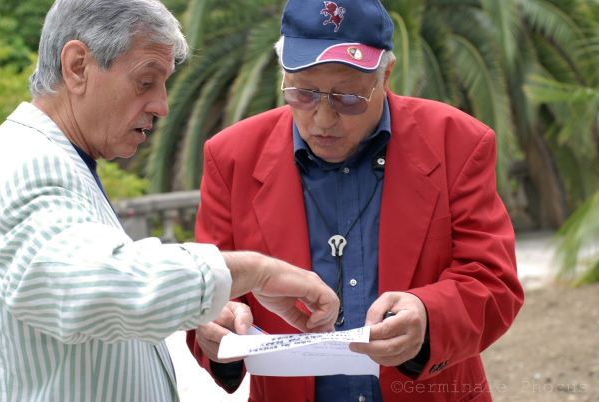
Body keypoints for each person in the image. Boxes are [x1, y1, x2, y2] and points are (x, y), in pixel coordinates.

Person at [0, 1, 341, 401]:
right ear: (77, 66)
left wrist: (200, 306)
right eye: (146, 82)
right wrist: (254, 271)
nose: (161, 106)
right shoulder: (30, 165)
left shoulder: (61, 160)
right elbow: (100, 287)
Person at [187, 0, 525, 401]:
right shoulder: (232, 157)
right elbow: (208, 291)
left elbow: (493, 280)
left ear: (387, 75)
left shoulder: (458, 143)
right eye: (303, 93)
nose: (324, 119)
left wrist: (429, 316)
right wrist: (214, 326)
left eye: (348, 98)